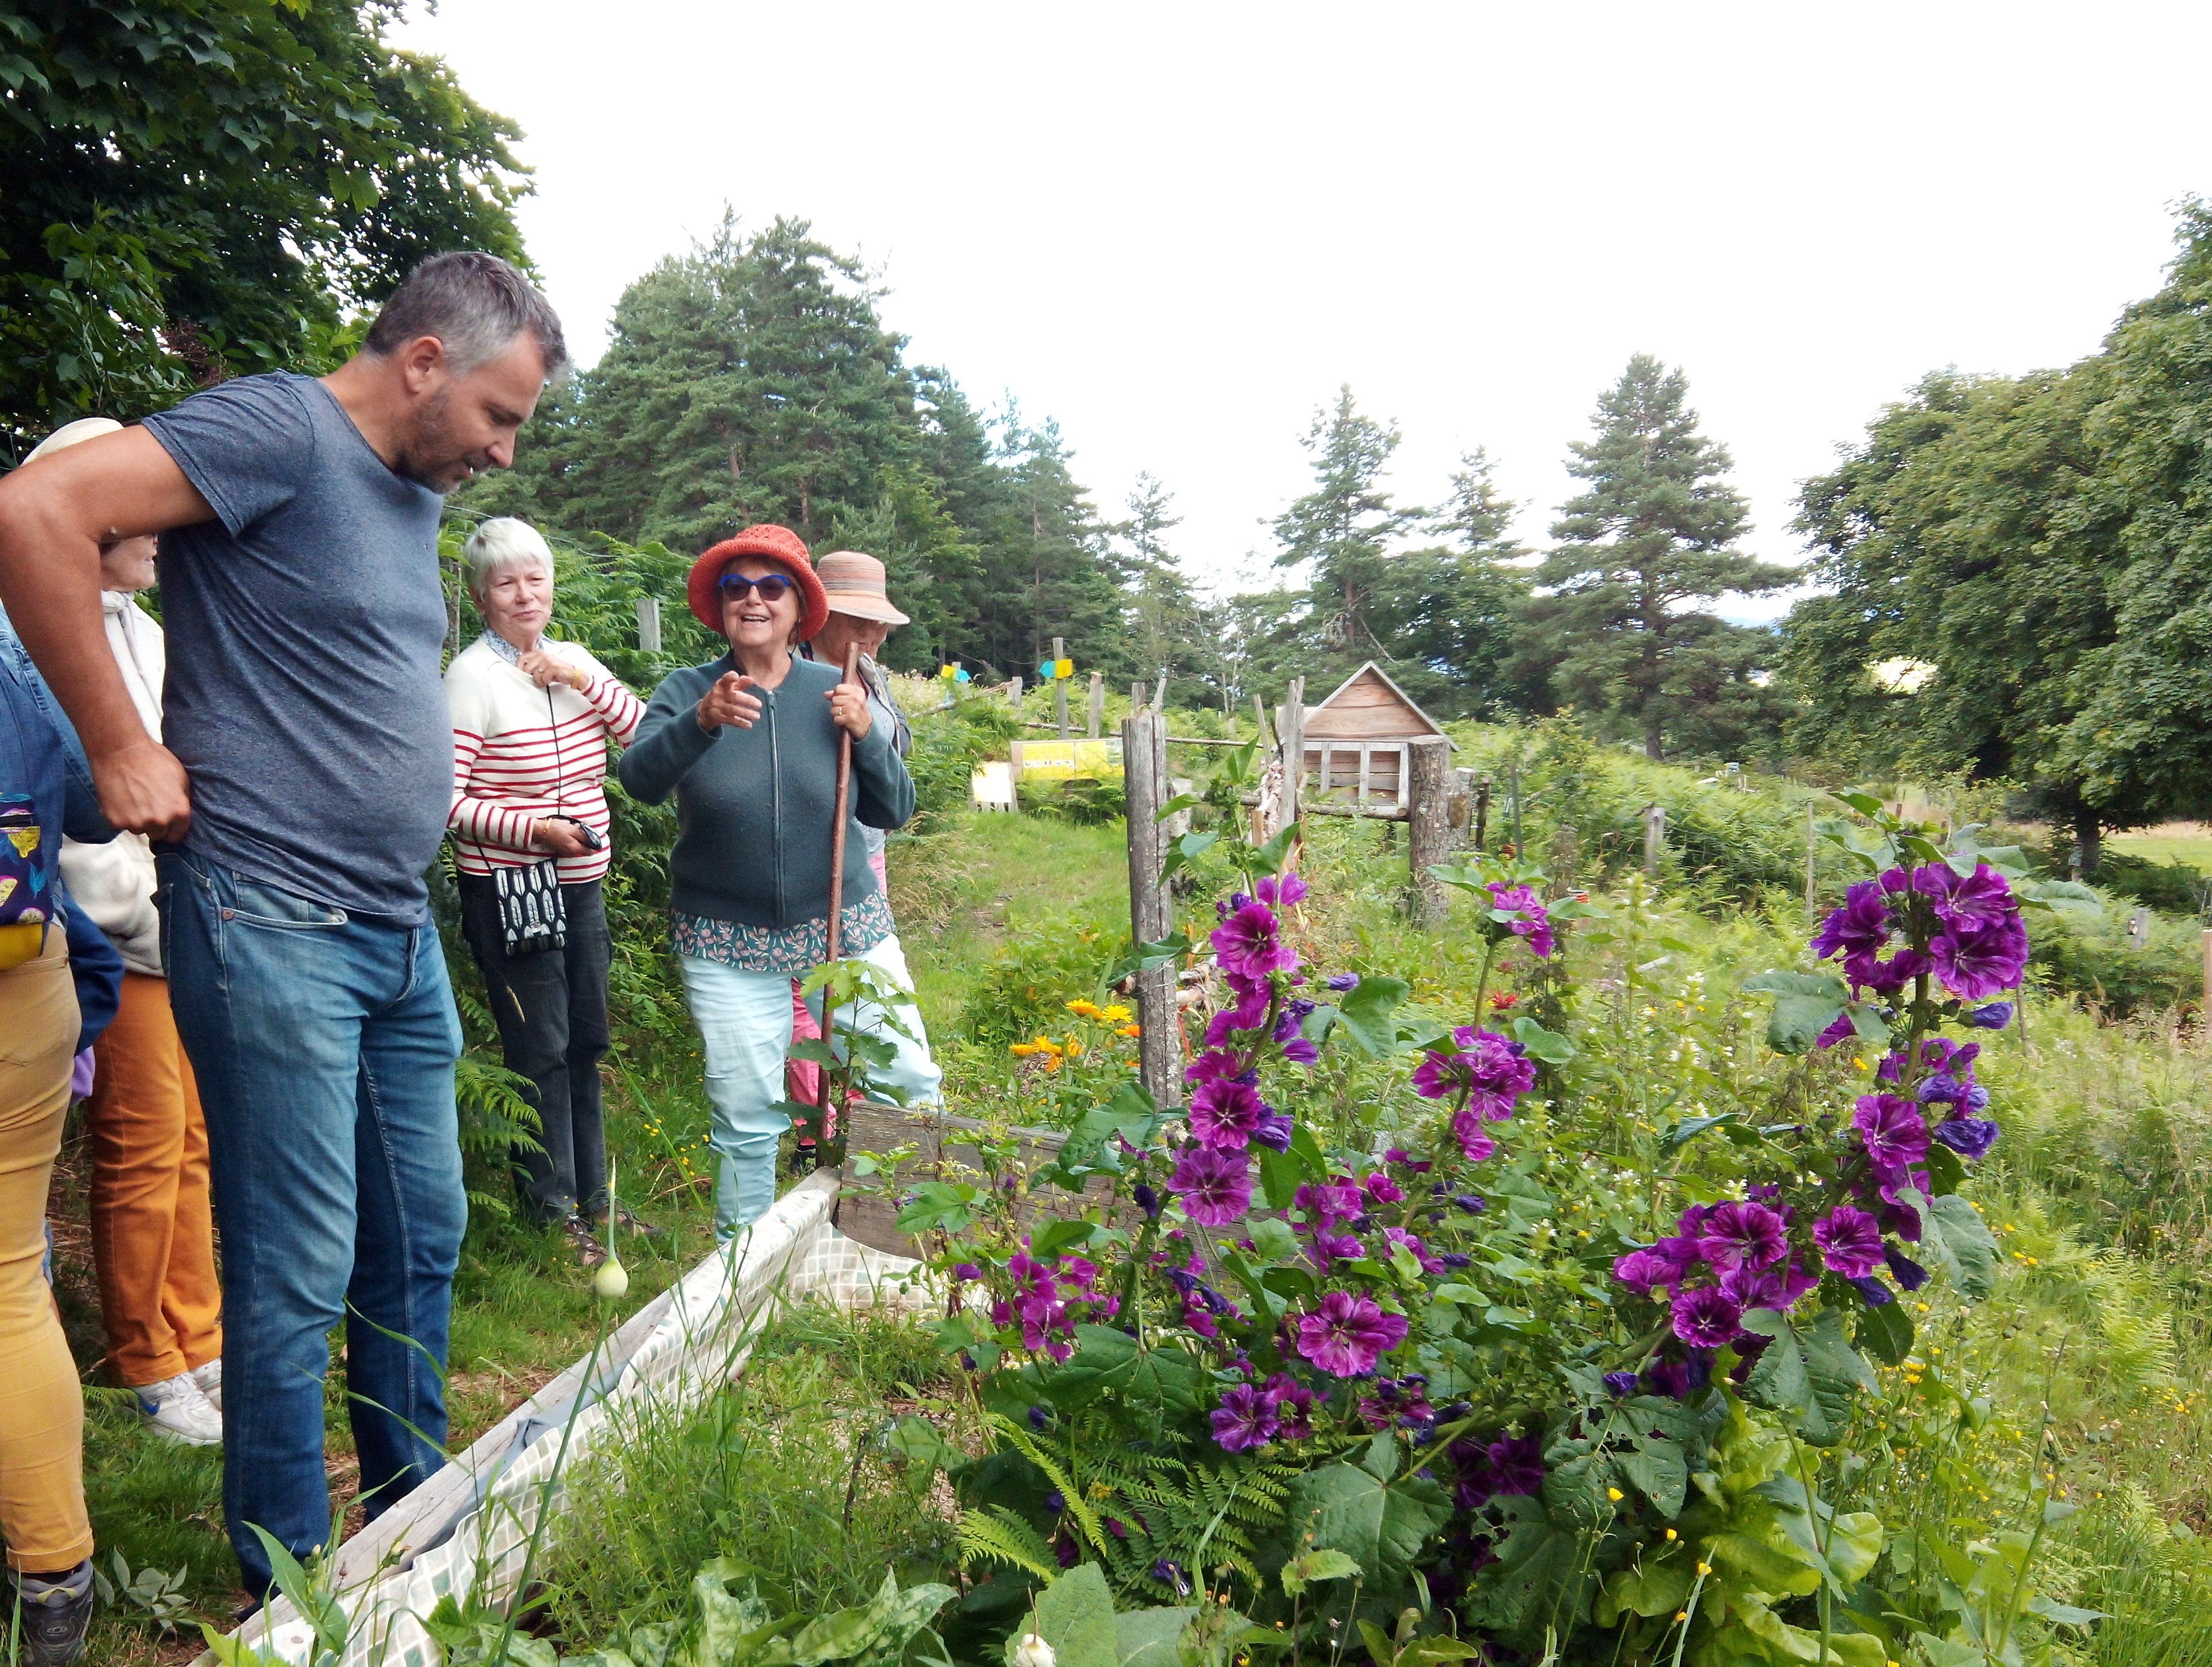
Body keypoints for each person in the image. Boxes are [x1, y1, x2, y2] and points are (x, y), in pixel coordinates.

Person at [0, 251, 569, 1599]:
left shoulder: (401, 493)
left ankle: (408, 1533)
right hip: (272, 919)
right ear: (424, 360)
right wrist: (121, 743)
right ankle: (286, 1582)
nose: (500, 452)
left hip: (391, 929)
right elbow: (35, 511)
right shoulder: (277, 429)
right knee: (294, 1269)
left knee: (422, 1239)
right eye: (500, 415)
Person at [617, 526, 934, 1237]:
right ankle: (742, 1285)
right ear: (718, 606)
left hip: (846, 927)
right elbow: (637, 780)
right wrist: (697, 724)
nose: (752, 599)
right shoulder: (688, 690)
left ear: (798, 608)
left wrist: (868, 734)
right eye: (737, 587)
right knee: (747, 1116)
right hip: (725, 942)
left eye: (771, 587)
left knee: (906, 1080)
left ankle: (907, 1243)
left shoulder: (835, 691)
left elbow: (895, 808)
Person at [20, 419, 227, 1449]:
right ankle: (149, 1364)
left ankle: (201, 1338)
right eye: (143, 517)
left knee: (192, 1140)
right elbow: (68, 805)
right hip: (114, 931)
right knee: (144, 1149)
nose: (161, 533)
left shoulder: (148, 626)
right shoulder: (43, 629)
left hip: (180, 923)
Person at [446, 516, 647, 1263]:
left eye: (535, 578)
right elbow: (444, 802)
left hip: (580, 886)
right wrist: (534, 831)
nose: (524, 595)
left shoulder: (571, 658)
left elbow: (645, 735)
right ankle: (552, 1213)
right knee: (541, 1048)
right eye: (506, 582)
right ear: (480, 595)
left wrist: (582, 677)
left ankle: (599, 1200)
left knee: (587, 1040)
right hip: (509, 888)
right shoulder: (470, 679)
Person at [0, 487, 116, 1662]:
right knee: (5, 1281)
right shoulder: (12, 633)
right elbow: (83, 798)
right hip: (20, 970)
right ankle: (55, 1579)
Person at [791, 549, 939, 1114]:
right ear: (818, 613)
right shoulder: (793, 675)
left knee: (864, 989)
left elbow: (895, 758)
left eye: (880, 620)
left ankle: (869, 1116)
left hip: (865, 855)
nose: (874, 632)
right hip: (812, 865)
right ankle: (817, 1130)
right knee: (810, 999)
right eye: (858, 619)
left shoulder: (871, 674)